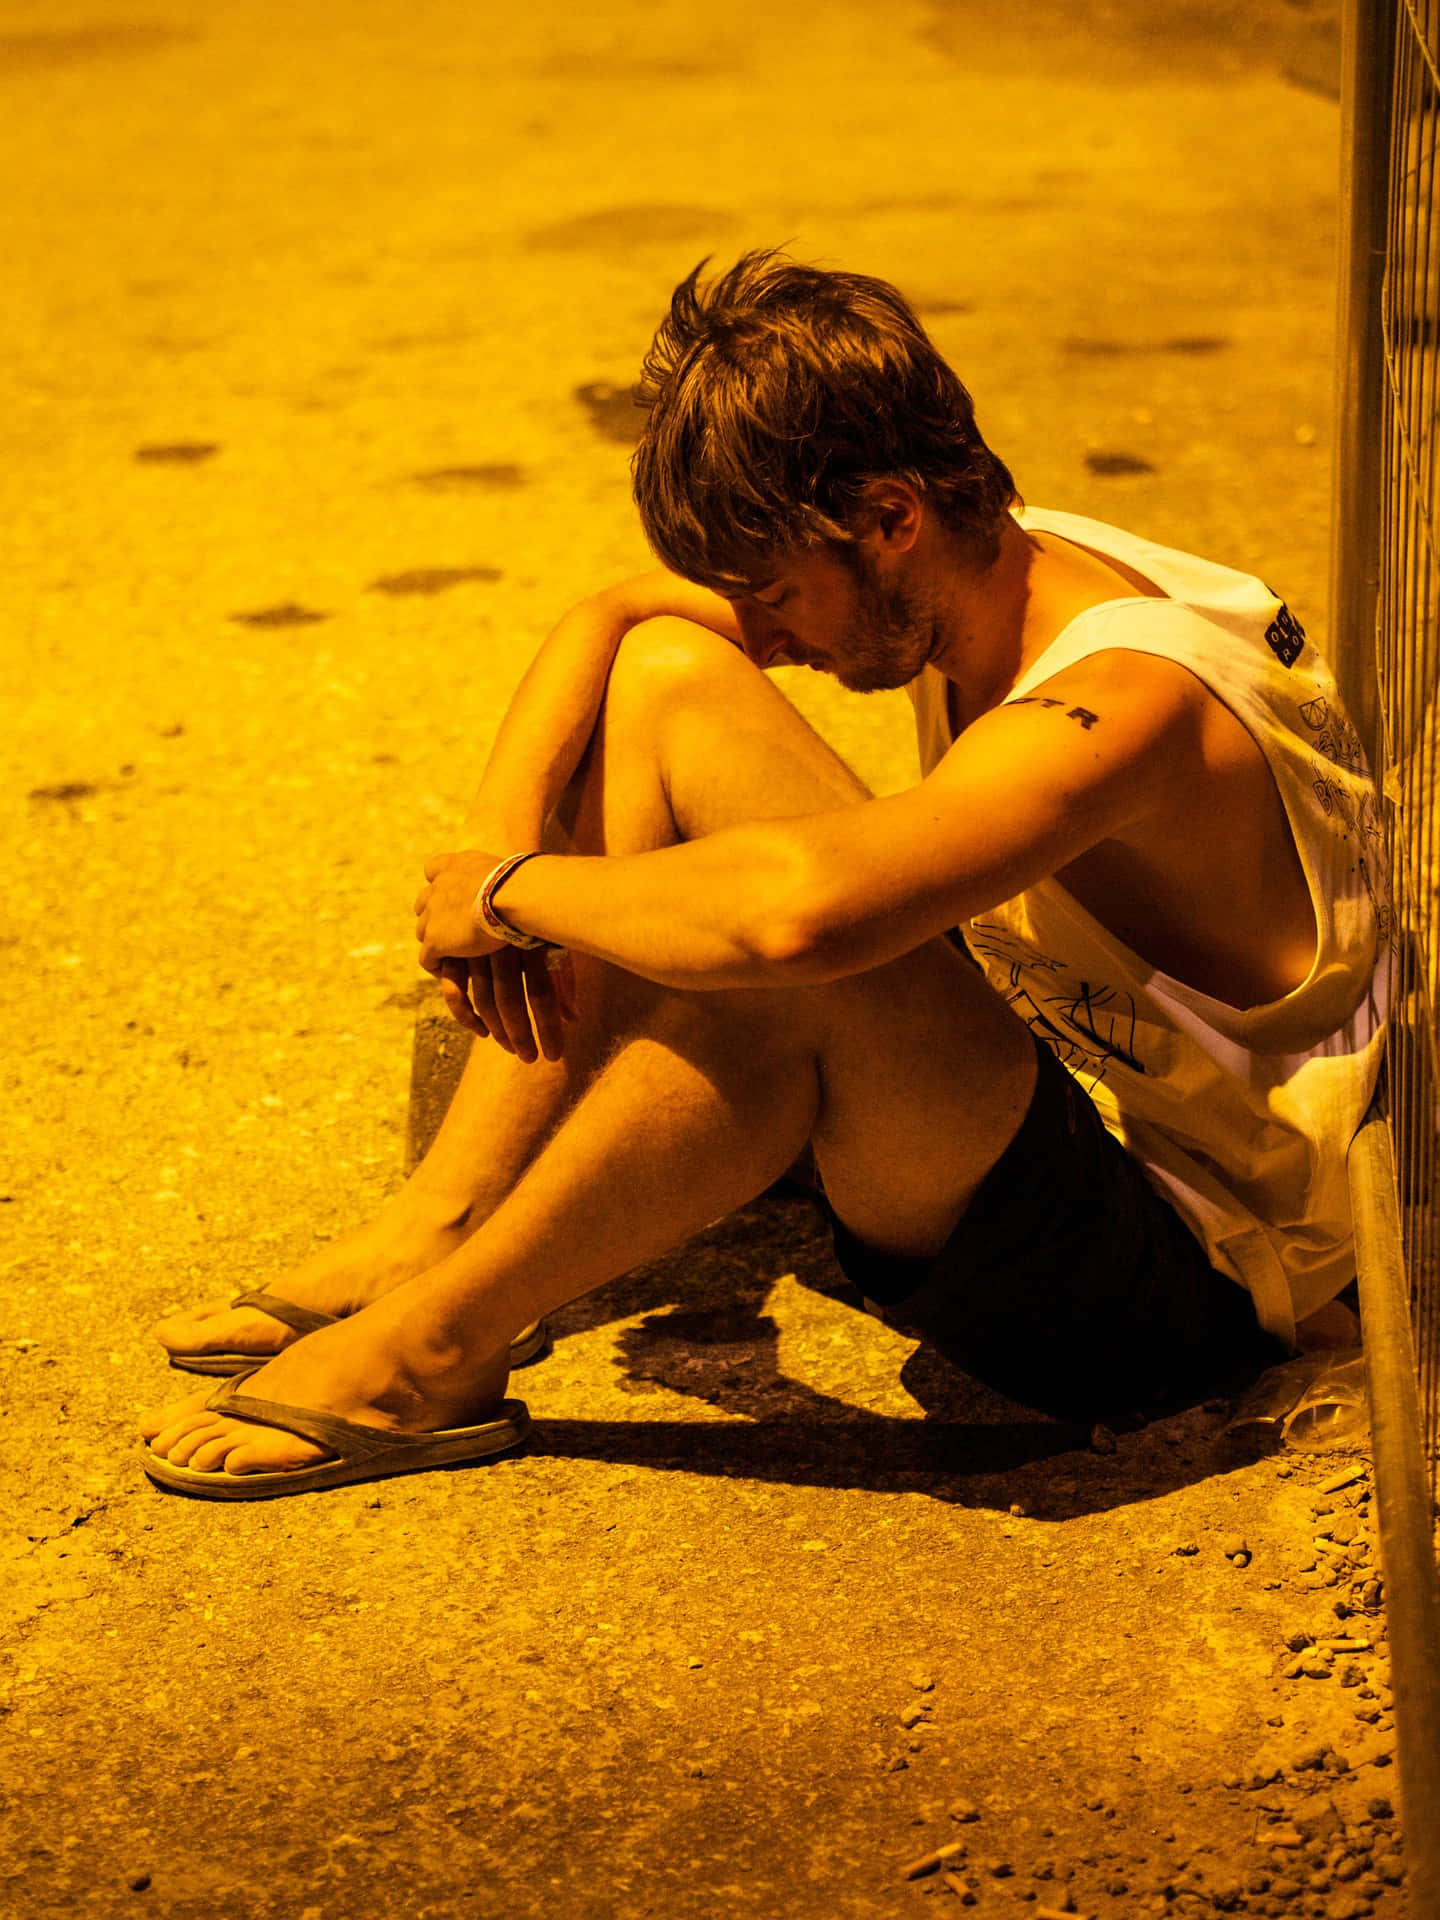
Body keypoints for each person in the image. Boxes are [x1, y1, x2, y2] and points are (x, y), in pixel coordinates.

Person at [140, 252, 1387, 1498]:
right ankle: (447, 1221)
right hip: (1068, 1102)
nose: (772, 635)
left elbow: (796, 923)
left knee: (792, 971)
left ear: (891, 517)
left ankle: (431, 1350)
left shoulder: (1126, 705)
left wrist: (509, 893)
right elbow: (621, 622)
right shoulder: (1011, 558)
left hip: (1187, 1282)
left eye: (780, 594)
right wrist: (493, 838)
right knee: (670, 680)